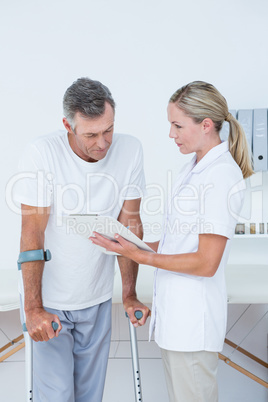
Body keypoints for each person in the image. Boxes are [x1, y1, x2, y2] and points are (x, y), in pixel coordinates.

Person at [90, 81, 254, 402]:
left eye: (177, 125)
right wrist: (127, 243)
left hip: (193, 326)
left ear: (206, 125)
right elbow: (177, 243)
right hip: (177, 323)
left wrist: (139, 256)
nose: (171, 134)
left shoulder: (219, 176)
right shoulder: (192, 169)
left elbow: (206, 263)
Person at [13, 77, 150, 402]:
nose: (103, 143)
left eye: (108, 130)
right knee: (57, 397)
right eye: (91, 134)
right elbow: (33, 232)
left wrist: (129, 294)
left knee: (91, 397)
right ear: (68, 126)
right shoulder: (42, 153)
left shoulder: (129, 150)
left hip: (97, 296)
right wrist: (34, 309)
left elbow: (129, 225)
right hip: (50, 302)